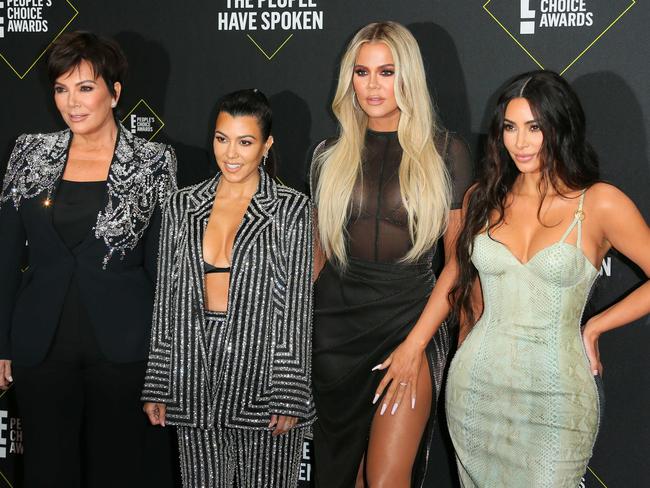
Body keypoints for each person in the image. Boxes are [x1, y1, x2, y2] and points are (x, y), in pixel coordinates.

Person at [446, 70, 650, 487]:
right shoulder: (482, 199)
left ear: (561, 127)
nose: (520, 142)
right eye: (510, 127)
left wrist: (595, 326)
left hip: (558, 397)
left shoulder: (599, 203)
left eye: (535, 128)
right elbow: (465, 290)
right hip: (476, 390)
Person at [0, 31, 177, 487]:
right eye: (61, 88)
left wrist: (163, 363)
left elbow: (165, 269)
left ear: (114, 93)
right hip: (41, 343)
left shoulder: (154, 161)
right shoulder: (29, 152)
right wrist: (1, 344)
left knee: (118, 471)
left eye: (85, 87)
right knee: (46, 471)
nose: (71, 102)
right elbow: (4, 256)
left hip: (124, 347)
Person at [310, 21, 473, 488]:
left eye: (387, 72)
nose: (373, 85)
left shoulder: (446, 152)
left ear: (409, 77)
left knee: (384, 480)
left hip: (409, 322)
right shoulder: (328, 155)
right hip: (335, 334)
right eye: (363, 72)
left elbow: (458, 263)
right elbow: (318, 259)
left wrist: (416, 344)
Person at [142, 88, 314, 488]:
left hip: (264, 372)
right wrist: (159, 379)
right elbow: (168, 297)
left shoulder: (291, 209)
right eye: (222, 139)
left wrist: (289, 391)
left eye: (245, 141)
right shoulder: (181, 205)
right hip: (193, 369)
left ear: (267, 145)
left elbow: (296, 305)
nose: (231, 153)